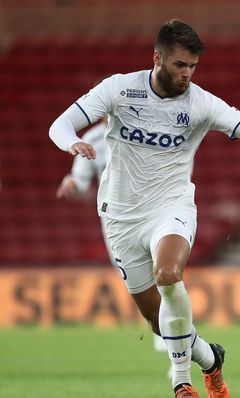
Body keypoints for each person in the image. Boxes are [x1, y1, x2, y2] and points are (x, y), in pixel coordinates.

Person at [48, 19, 240, 398]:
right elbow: (61, 125)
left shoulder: (200, 102)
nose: (187, 74)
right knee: (159, 322)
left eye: (193, 66)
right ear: (157, 58)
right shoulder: (119, 88)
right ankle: (210, 359)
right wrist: (71, 144)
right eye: (180, 65)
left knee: (168, 273)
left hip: (171, 207)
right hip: (119, 216)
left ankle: (182, 383)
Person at [56, 117, 174, 378]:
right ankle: (160, 327)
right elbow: (81, 179)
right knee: (139, 282)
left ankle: (175, 348)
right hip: (116, 222)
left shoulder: (147, 127)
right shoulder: (93, 139)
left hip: (154, 212)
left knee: (165, 272)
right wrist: (73, 186)